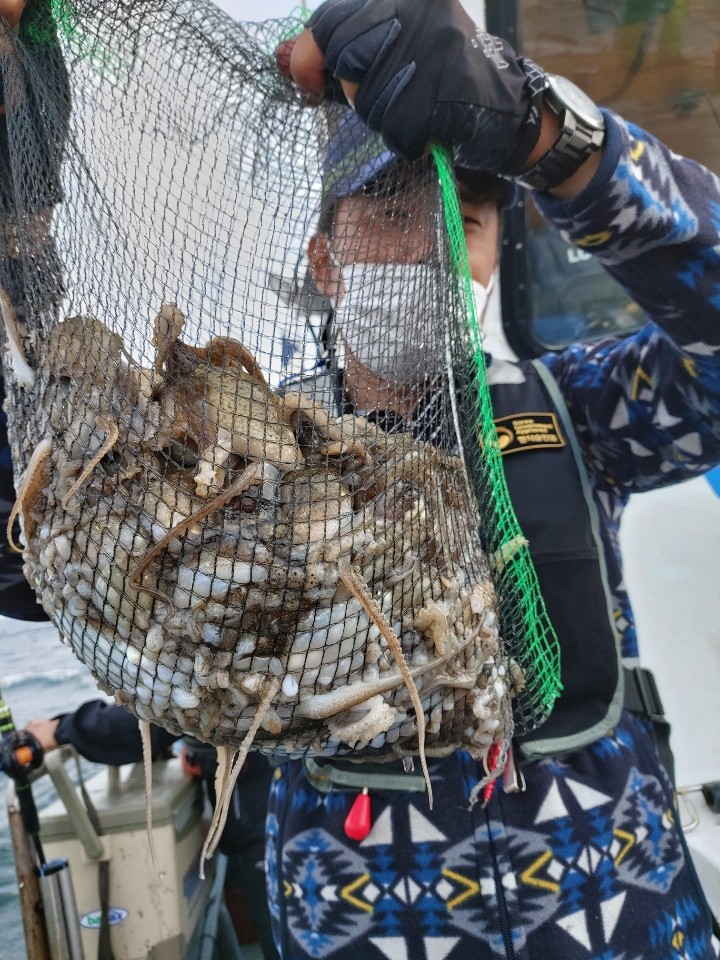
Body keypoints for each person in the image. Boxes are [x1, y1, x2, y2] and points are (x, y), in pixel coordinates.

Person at [264, 3, 720, 959]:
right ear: (323, 261)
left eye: (461, 220)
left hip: (626, 922)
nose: (430, 247)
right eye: (391, 214)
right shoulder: (257, 451)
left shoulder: (580, 408)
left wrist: (550, 136)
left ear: (494, 254)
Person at [26, 699, 280, 959]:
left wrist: (60, 730)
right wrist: (201, 755)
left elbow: (156, 716)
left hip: (269, 827)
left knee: (284, 938)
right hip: (269, 809)